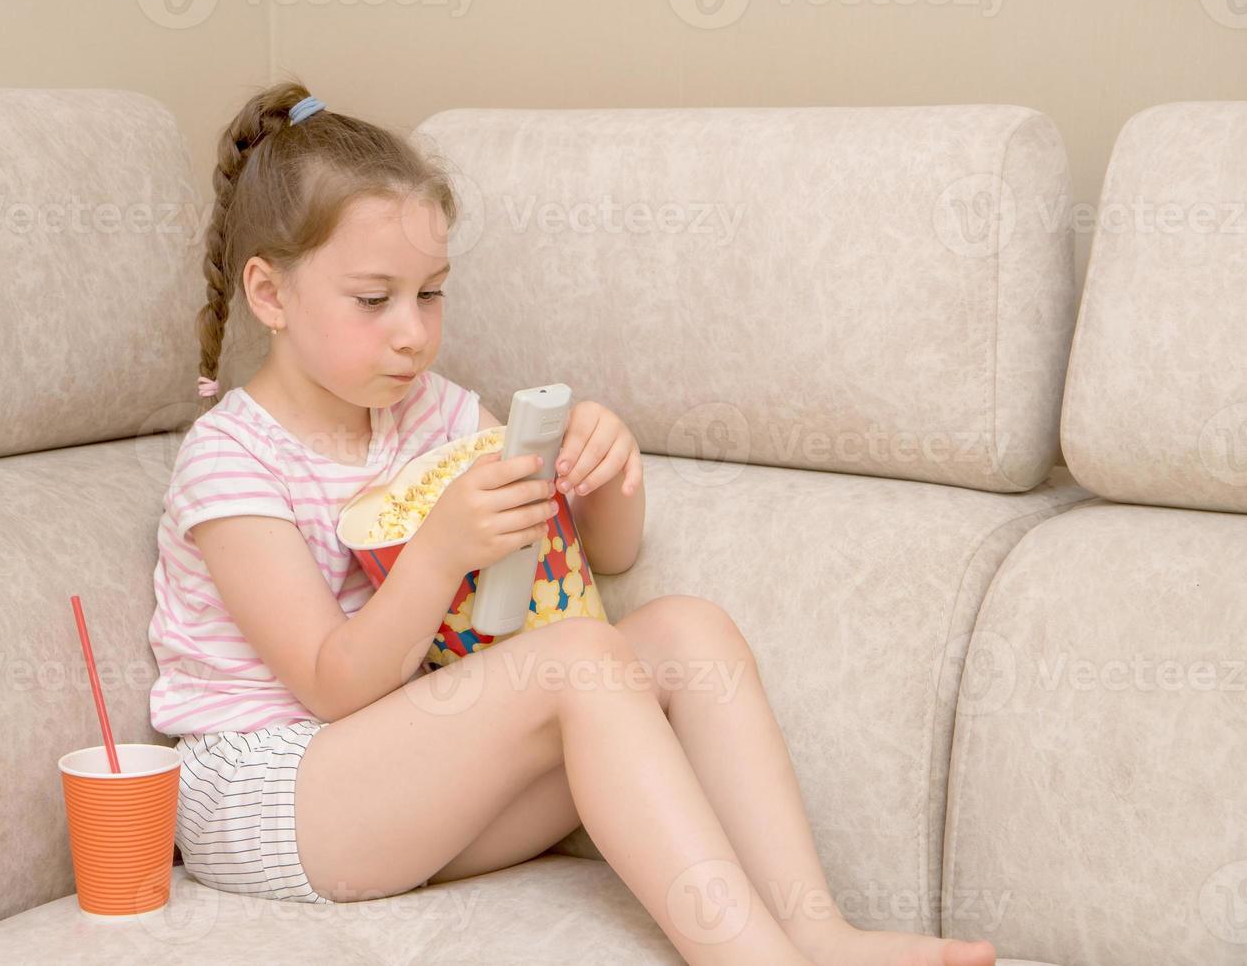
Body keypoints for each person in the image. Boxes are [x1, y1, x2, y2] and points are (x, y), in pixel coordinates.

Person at [146, 76, 998, 966]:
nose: (413, 333)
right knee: (580, 661)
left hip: (410, 782)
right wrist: (440, 550)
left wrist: (603, 476)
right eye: (374, 299)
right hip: (275, 801)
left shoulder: (433, 413)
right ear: (270, 295)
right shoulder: (230, 459)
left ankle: (818, 933)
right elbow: (331, 685)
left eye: (431, 294)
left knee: (686, 634)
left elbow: (601, 558)